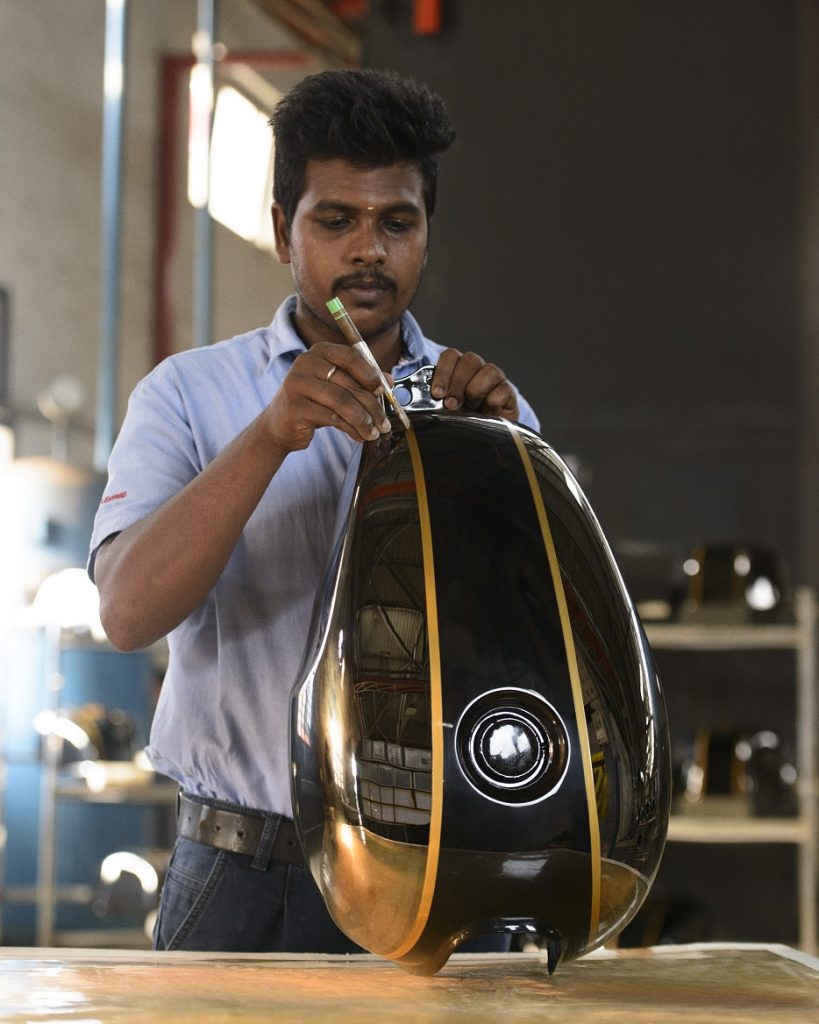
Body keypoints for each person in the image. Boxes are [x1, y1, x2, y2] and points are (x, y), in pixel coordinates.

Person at [89, 68, 539, 953]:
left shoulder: (487, 408)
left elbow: (531, 661)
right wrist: (267, 438)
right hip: (241, 874)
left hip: (442, 869)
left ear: (425, 233)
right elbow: (126, 615)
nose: (368, 251)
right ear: (281, 232)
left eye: (396, 223)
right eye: (335, 220)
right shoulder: (188, 394)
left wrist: (498, 465)